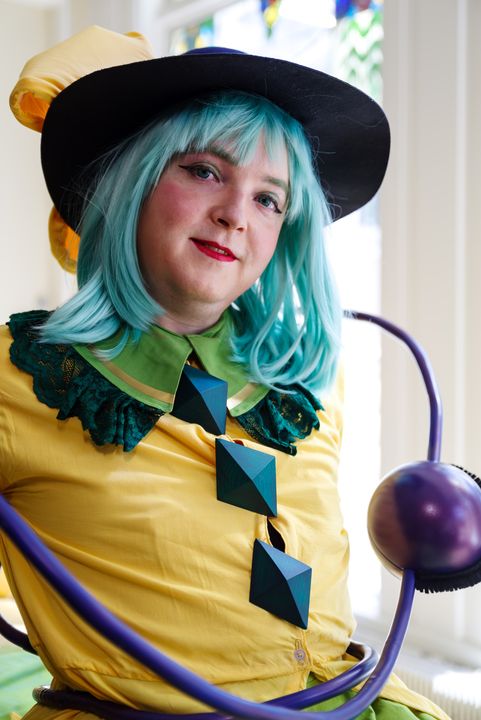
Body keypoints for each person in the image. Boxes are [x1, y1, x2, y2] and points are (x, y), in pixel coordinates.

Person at [0, 25, 449, 720]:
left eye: (269, 198)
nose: (235, 214)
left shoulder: (306, 383)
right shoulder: (20, 381)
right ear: (133, 182)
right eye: (204, 171)